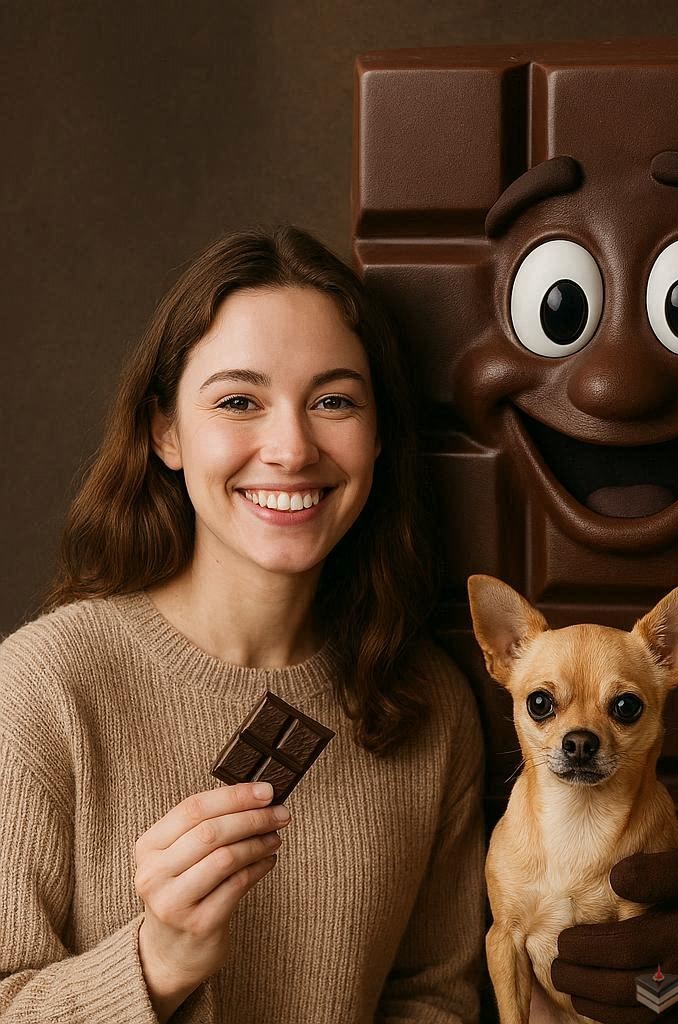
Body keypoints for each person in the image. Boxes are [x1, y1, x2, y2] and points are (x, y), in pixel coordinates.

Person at [0, 226, 485, 1024]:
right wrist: (156, 962)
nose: (291, 448)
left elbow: (433, 999)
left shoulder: (430, 706)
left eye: (333, 401)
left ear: (378, 436)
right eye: (237, 402)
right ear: (164, 431)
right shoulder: (43, 689)